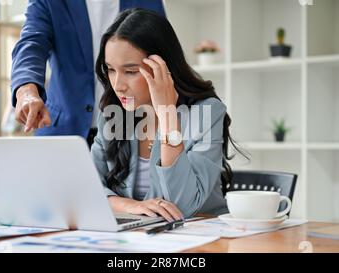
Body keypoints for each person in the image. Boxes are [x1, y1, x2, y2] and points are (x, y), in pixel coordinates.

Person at [91, 8, 244, 221]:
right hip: (137, 238)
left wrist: (167, 115)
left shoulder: (206, 113)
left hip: (200, 238)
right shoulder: (113, 114)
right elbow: (87, 191)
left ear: (163, 67)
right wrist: (130, 206)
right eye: (111, 69)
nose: (117, 85)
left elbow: (183, 206)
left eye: (131, 71)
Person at [11, 0, 165, 145]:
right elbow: (31, 43)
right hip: (64, 131)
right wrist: (26, 90)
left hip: (133, 130)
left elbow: (162, 52)